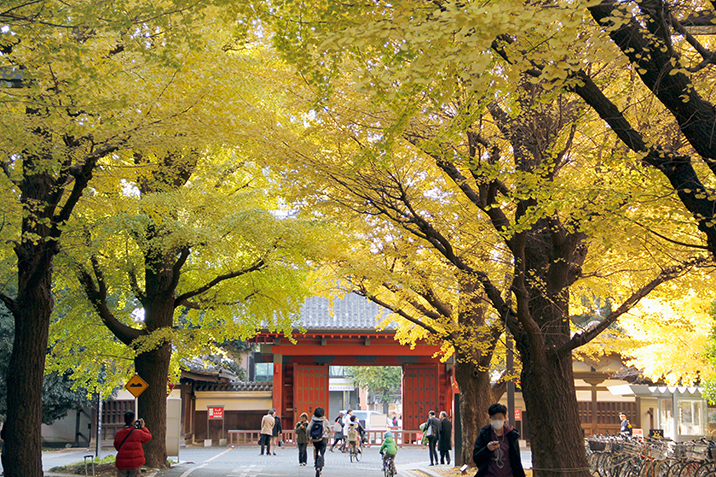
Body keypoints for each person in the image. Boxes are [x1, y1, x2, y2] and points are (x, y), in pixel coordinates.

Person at [473, 403, 526, 477]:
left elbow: (516, 460)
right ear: (490, 418)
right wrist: (487, 449)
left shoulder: (511, 435)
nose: (497, 421)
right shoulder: (484, 434)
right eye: (494, 418)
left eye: (500, 418)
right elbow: (476, 458)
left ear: (505, 418)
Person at [113, 411, 152, 477]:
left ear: (124, 420)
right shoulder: (139, 433)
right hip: (135, 463)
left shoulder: (118, 433)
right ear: (134, 420)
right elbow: (148, 437)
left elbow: (117, 447)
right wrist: (143, 427)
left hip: (122, 463)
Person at [307, 406, 331, 476]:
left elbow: (308, 429)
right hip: (323, 438)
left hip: (315, 439)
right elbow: (329, 428)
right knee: (321, 452)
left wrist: (308, 436)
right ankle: (319, 467)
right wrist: (326, 433)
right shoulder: (325, 420)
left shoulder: (313, 420)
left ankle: (316, 464)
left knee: (316, 450)